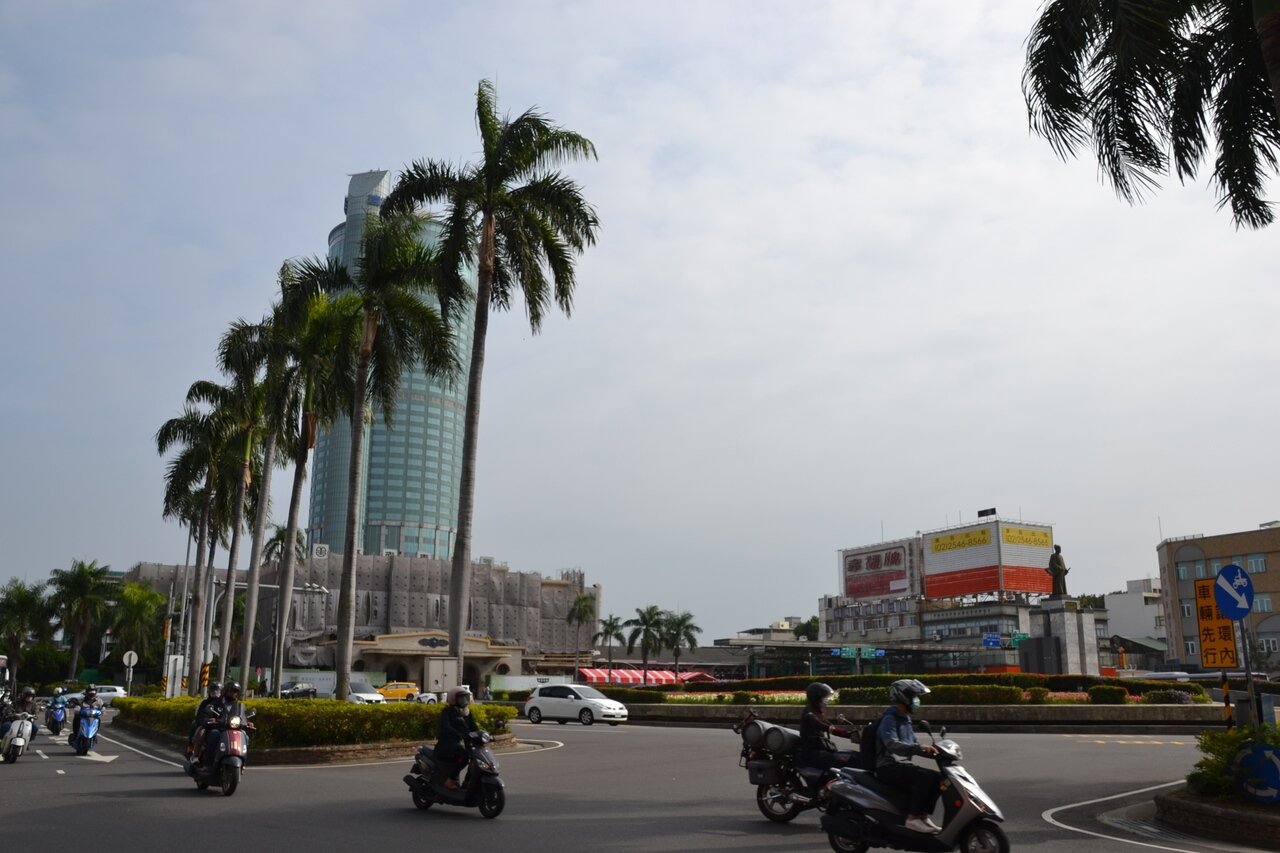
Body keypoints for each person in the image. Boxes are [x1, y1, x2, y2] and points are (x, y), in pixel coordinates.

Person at [875, 679, 943, 835]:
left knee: (939, 779)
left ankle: (923, 816)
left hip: (900, 764)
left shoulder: (905, 719)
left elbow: (914, 744)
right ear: (903, 697)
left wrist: (935, 751)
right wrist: (918, 748)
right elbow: (892, 744)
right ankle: (912, 818)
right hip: (887, 767)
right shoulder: (890, 719)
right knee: (923, 778)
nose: (917, 701)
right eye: (914, 697)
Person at [797, 682, 854, 769]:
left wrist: (849, 734)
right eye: (824, 697)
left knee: (849, 756)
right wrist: (834, 730)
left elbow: (829, 724)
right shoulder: (809, 713)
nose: (827, 699)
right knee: (840, 761)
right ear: (816, 698)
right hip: (812, 752)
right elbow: (820, 725)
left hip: (820, 749)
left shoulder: (817, 711)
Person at [434, 686, 478, 789]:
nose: (464, 700)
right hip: (449, 743)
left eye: (466, 698)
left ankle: (468, 781)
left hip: (464, 742)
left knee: (476, 758)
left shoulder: (467, 712)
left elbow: (473, 727)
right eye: (461, 698)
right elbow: (446, 726)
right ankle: (450, 779)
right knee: (465, 756)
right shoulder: (447, 711)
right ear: (453, 699)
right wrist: (458, 734)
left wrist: (482, 734)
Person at [186, 682, 223, 759]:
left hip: (221, 726)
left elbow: (229, 715)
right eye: (213, 689)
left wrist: (218, 720)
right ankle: (194, 752)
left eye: (217, 689)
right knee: (198, 728)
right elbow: (200, 715)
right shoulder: (205, 702)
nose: (215, 691)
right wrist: (207, 720)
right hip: (208, 725)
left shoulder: (224, 703)